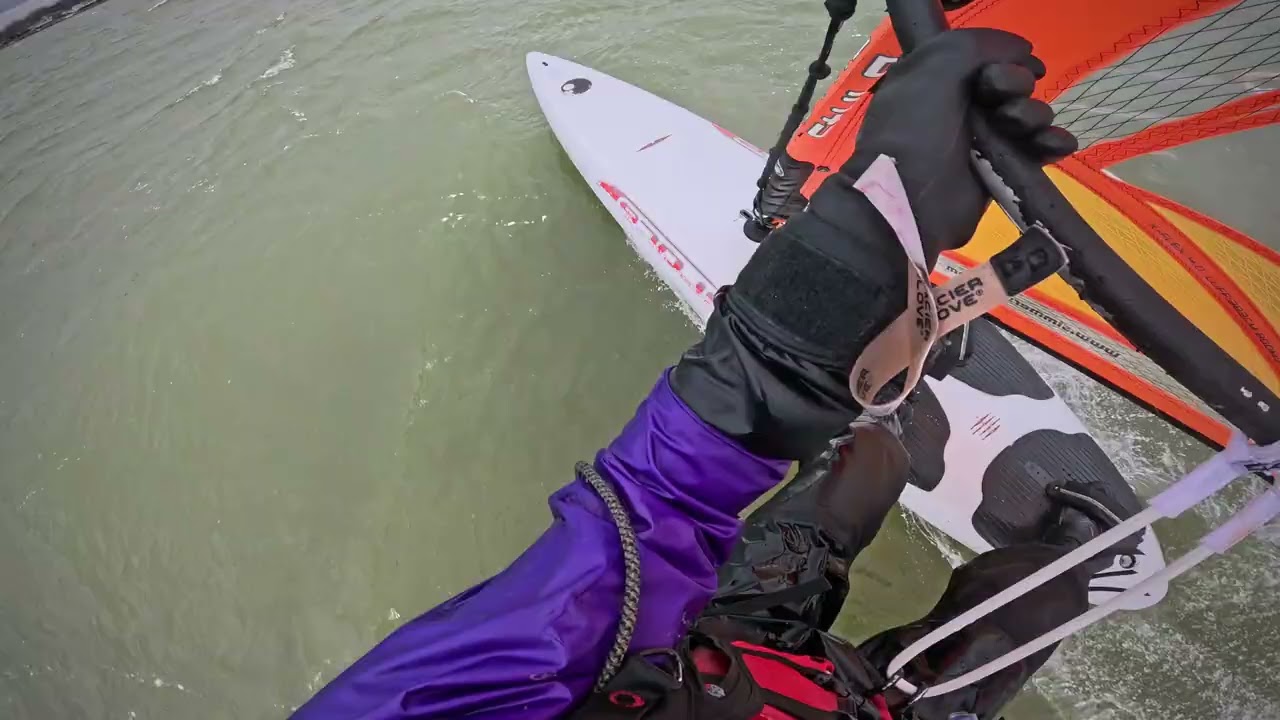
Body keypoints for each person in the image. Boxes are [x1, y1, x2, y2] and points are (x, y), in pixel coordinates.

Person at [291, 28, 1124, 719]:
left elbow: (625, 541)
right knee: (1035, 592)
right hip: (870, 707)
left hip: (722, 642)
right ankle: (1080, 551)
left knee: (869, 467)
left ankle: (876, 421)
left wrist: (850, 266)